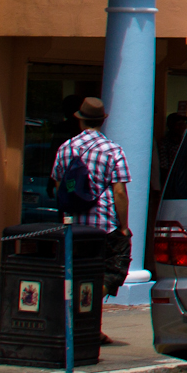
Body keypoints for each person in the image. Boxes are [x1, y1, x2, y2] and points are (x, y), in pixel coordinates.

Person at [51, 97, 132, 340]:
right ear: (102, 120)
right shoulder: (112, 150)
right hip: (103, 224)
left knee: (77, 272)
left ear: (80, 119)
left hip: (73, 225)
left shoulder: (65, 148)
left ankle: (81, 324)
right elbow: (119, 192)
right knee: (112, 272)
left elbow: (58, 185)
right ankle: (88, 318)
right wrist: (124, 226)